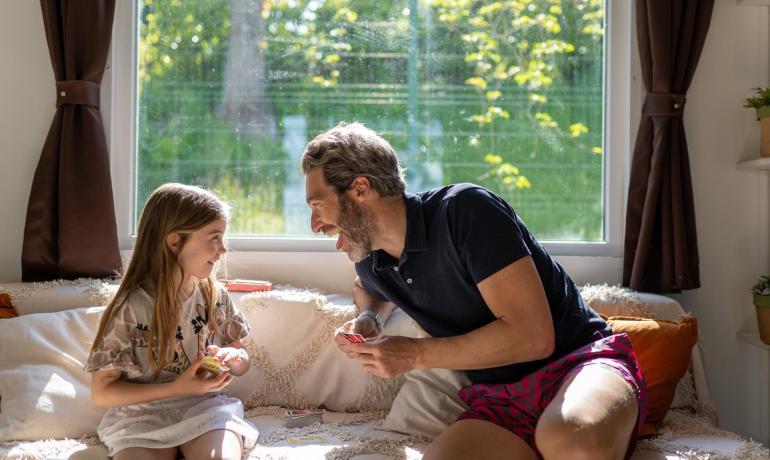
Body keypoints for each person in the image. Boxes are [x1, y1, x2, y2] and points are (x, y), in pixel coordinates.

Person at [301, 122, 648, 460]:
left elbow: (534, 338)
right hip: (503, 396)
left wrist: (415, 355)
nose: (315, 225)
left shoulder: (466, 211)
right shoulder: (370, 259)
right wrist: (369, 318)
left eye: (317, 205)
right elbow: (370, 289)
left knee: (570, 441)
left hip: (579, 362)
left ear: (361, 189)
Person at [86, 183, 258, 460]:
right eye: (214, 237)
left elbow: (241, 357)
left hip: (205, 411)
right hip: (140, 419)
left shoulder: (213, 295)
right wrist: (177, 388)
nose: (222, 249)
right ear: (175, 241)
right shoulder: (131, 307)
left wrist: (235, 359)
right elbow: (102, 392)